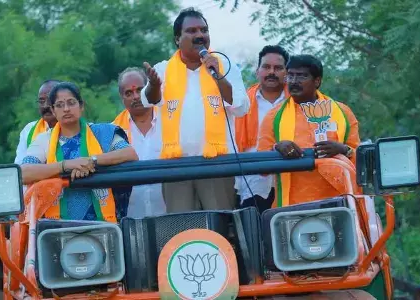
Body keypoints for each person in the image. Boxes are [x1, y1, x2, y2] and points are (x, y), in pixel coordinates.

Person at [141, 7, 250, 213]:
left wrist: (217, 74)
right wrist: (154, 84)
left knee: (219, 227)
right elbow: (149, 100)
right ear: (177, 39)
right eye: (192, 31)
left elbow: (241, 107)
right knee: (183, 230)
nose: (200, 35)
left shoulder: (224, 65)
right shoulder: (164, 68)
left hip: (217, 165)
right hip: (176, 167)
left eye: (204, 30)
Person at [21, 82, 138, 222]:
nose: (66, 109)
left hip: (103, 225)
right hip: (57, 229)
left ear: (81, 106)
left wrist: (91, 161)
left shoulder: (101, 133)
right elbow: (23, 173)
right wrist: (65, 166)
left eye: (71, 103)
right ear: (53, 110)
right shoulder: (44, 140)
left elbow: (129, 153)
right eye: (59, 105)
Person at [257, 55, 360, 207]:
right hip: (293, 207)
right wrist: (277, 148)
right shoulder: (274, 117)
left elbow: (362, 158)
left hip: (340, 203)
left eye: (301, 76)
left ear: (317, 81)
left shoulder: (342, 112)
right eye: (290, 75)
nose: (294, 81)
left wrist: (343, 150)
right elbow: (261, 166)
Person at [235, 45, 290, 213]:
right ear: (257, 71)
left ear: (287, 73)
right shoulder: (241, 103)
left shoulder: (297, 102)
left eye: (278, 68)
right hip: (252, 185)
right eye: (266, 67)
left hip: (291, 184)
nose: (271, 72)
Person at [112, 67, 166, 218]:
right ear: (121, 97)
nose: (136, 96)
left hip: (172, 214)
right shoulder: (112, 132)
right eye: (128, 93)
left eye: (140, 90)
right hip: (132, 217)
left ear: (149, 88)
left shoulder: (170, 122)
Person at [14, 80, 61, 165]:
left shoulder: (81, 130)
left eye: (50, 101)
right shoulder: (29, 130)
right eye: (41, 101)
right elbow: (20, 169)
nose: (45, 106)